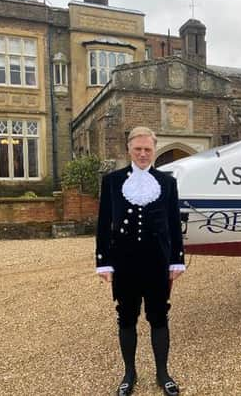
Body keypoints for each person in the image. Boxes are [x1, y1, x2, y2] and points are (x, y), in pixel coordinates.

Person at [96, 126, 185, 395]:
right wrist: (103, 262)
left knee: (159, 318)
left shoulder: (167, 182)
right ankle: (129, 374)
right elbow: (104, 224)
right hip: (125, 262)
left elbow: (173, 223)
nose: (143, 154)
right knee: (126, 318)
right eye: (138, 149)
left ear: (154, 150)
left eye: (147, 149)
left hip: (157, 262)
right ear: (129, 150)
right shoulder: (112, 181)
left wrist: (176, 261)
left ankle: (163, 373)